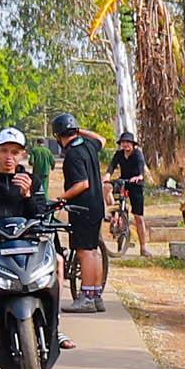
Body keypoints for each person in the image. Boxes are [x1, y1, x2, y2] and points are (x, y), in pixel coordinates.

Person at [0, 125, 66, 366]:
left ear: (23, 155)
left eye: (15, 152)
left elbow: (40, 211)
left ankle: (56, 327)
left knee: (58, 261)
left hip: (28, 242)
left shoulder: (31, 180)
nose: (9, 157)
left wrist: (28, 195)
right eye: (4, 150)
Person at [50, 111, 112, 313]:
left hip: (82, 207)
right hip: (96, 205)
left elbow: (81, 184)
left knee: (84, 253)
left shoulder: (72, 155)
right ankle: (96, 295)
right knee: (93, 251)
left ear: (58, 135)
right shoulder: (88, 146)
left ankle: (86, 297)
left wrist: (61, 198)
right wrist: (79, 130)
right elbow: (101, 139)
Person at [112, 130, 149, 243]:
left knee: (138, 217)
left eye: (128, 142)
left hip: (136, 185)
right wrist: (107, 176)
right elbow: (111, 167)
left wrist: (139, 176)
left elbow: (141, 168)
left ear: (133, 144)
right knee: (108, 188)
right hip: (123, 183)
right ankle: (115, 214)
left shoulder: (138, 154)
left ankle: (143, 247)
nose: (125, 145)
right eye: (123, 142)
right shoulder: (119, 154)